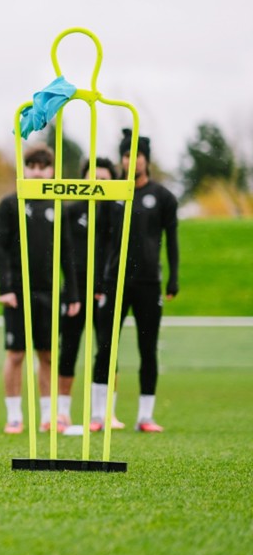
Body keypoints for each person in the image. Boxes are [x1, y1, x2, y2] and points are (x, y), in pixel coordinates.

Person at [92, 130, 179, 433]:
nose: (131, 160)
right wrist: (98, 281)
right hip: (114, 281)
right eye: (126, 155)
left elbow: (172, 240)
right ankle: (99, 413)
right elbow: (100, 241)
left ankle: (145, 415)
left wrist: (173, 278)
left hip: (148, 283)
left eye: (136, 155)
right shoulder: (112, 194)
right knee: (105, 346)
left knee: (148, 347)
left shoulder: (163, 197)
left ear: (146, 159)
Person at [0, 144, 80, 434]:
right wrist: (5, 288)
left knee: (46, 353)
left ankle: (48, 416)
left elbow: (67, 251)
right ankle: (14, 415)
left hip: (49, 291)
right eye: (32, 166)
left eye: (43, 167)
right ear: (24, 168)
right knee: (16, 354)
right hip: (18, 292)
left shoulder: (58, 205)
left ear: (52, 170)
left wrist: (72, 293)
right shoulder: (10, 203)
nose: (37, 172)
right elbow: (1, 250)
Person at [59, 157, 122, 432]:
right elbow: (64, 253)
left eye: (105, 180)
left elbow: (116, 254)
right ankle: (62, 413)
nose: (98, 184)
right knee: (69, 349)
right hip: (74, 291)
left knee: (108, 349)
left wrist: (104, 287)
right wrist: (72, 291)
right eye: (93, 178)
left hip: (104, 290)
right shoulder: (71, 211)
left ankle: (104, 412)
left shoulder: (116, 213)